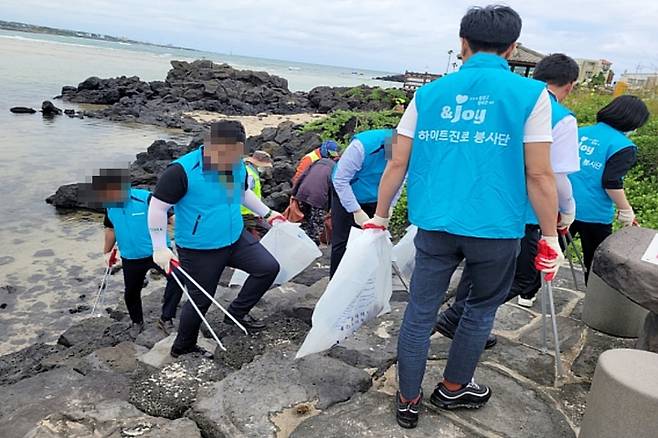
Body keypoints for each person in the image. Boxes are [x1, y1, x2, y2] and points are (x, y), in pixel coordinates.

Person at [363, 5, 562, 429]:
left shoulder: (428, 94)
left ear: (463, 44)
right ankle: (454, 389)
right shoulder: (531, 96)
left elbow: (397, 162)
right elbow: (540, 173)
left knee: (420, 311)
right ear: (511, 48)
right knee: (478, 310)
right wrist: (550, 236)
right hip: (495, 229)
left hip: (433, 225)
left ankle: (407, 399)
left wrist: (380, 216)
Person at [434, 53, 583, 346]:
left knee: (476, 268)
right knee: (525, 278)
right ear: (570, 86)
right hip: (523, 212)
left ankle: (458, 317)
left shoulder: (504, 99)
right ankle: (464, 318)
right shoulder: (561, 118)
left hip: (479, 202)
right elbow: (555, 177)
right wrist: (567, 210)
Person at [148, 120, 285, 359]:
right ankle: (183, 347)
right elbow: (158, 208)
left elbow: (242, 194)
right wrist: (159, 247)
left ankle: (236, 313)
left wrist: (268, 213)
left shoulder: (237, 166)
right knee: (201, 299)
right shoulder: (182, 171)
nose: (231, 159)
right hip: (200, 247)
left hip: (234, 237)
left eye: (236, 153)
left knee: (268, 268)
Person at [569, 95, 649, 282]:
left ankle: (527, 293)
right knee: (597, 261)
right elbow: (611, 182)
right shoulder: (623, 146)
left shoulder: (579, 133)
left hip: (561, 206)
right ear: (633, 121)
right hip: (594, 213)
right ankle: (594, 302)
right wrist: (626, 210)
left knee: (549, 252)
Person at [94, 169, 181, 338]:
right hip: (131, 257)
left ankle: (166, 317)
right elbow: (111, 229)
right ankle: (137, 322)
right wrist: (106, 253)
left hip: (158, 252)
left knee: (178, 279)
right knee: (131, 293)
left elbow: (172, 218)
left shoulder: (146, 198)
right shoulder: (110, 207)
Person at [329, 128, 397, 276]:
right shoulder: (362, 145)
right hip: (347, 192)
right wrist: (356, 210)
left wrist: (389, 205)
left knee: (373, 239)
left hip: (376, 196)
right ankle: (336, 285)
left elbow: (399, 178)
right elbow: (340, 180)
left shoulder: (405, 148)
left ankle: (366, 283)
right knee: (343, 241)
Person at [291, 156, 336, 244]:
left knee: (305, 219)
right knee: (316, 224)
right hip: (318, 198)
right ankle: (311, 245)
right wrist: (330, 207)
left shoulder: (318, 161)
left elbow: (303, 175)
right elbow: (332, 188)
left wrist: (294, 192)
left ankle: (300, 240)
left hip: (303, 192)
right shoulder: (335, 167)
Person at [241, 150, 274, 238]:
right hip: (247, 214)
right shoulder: (251, 175)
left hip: (249, 212)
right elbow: (245, 194)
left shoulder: (248, 170)